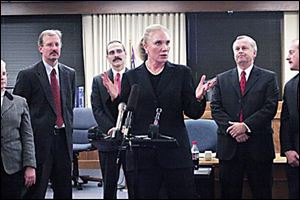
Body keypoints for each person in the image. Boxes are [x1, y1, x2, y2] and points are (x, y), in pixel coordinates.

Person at [102, 24, 215, 199]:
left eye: (167, 43)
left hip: (175, 153)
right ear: (146, 47)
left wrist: (199, 98)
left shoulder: (181, 73)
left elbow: (193, 112)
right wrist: (116, 99)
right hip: (143, 156)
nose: (165, 48)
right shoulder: (131, 77)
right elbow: (123, 115)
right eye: (158, 43)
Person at [211, 35, 279, 199]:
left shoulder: (268, 78)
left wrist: (245, 126)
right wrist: (234, 129)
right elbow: (215, 108)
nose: (240, 51)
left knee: (262, 193)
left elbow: (270, 107)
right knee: (229, 194)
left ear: (254, 52)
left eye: (244, 48)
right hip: (229, 147)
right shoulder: (222, 78)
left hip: (259, 147)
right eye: (237, 49)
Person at [13, 30, 76, 199]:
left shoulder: (69, 74)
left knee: (64, 192)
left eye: (57, 44)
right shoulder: (28, 75)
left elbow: (69, 109)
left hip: (63, 142)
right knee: (36, 192)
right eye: (49, 45)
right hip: (39, 145)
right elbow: (18, 114)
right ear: (40, 48)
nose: (54, 48)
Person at [91, 40, 133, 199]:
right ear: (107, 57)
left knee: (135, 184)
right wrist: (111, 128)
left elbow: (138, 107)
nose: (116, 55)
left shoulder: (135, 78)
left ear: (125, 54)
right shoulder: (98, 81)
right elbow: (97, 109)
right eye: (112, 52)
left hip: (131, 140)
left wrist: (126, 128)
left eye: (118, 51)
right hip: (108, 140)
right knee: (109, 186)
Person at [1, 59, 36, 199]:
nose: (2, 77)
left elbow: (28, 137)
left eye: (4, 73)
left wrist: (30, 166)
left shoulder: (19, 102)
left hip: (13, 166)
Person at [280, 39, 299, 199]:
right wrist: (287, 149)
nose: (287, 57)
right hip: (296, 157)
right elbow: (285, 121)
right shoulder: (291, 86)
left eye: (292, 52)